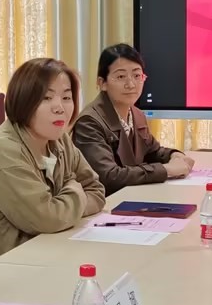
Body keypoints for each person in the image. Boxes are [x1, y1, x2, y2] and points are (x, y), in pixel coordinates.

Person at [0, 57, 107, 266]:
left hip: (49, 252)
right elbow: (47, 219)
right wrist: (74, 188)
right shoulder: (3, 150)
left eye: (67, 97)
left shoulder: (59, 137)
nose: (59, 108)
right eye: (46, 98)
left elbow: (96, 190)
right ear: (24, 102)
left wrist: (64, 211)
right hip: (2, 267)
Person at [72, 44, 193, 195]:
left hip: (132, 196)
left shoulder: (137, 114)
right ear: (102, 83)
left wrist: (174, 155)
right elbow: (108, 176)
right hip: (106, 202)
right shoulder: (89, 122)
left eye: (137, 76)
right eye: (121, 77)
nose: (131, 84)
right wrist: (166, 170)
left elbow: (152, 152)